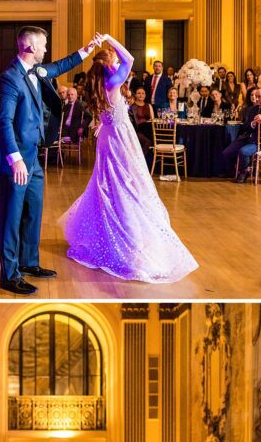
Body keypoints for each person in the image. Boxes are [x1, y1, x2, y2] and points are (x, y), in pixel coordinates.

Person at [63, 35, 198, 284]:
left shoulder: (99, 84)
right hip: (120, 139)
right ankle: (130, 237)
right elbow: (131, 58)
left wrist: (100, 125)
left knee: (109, 183)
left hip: (107, 136)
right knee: (127, 184)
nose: (117, 61)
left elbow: (104, 114)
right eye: (113, 59)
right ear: (108, 63)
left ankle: (107, 231)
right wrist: (109, 39)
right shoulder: (113, 80)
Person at [0, 26, 100, 295]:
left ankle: (29, 263)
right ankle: (10, 275)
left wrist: (87, 49)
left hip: (34, 158)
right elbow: (3, 121)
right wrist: (15, 160)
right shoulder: (10, 79)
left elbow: (60, 65)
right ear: (30, 48)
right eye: (43, 45)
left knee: (33, 213)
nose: (46, 50)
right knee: (12, 218)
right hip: (15, 160)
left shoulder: (37, 71)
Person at [221, 86, 261, 183]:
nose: (257, 99)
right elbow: (245, 127)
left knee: (243, 151)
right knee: (227, 152)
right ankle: (233, 172)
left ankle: (244, 173)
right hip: (248, 138)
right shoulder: (253, 109)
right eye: (256, 96)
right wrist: (252, 124)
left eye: (259, 97)